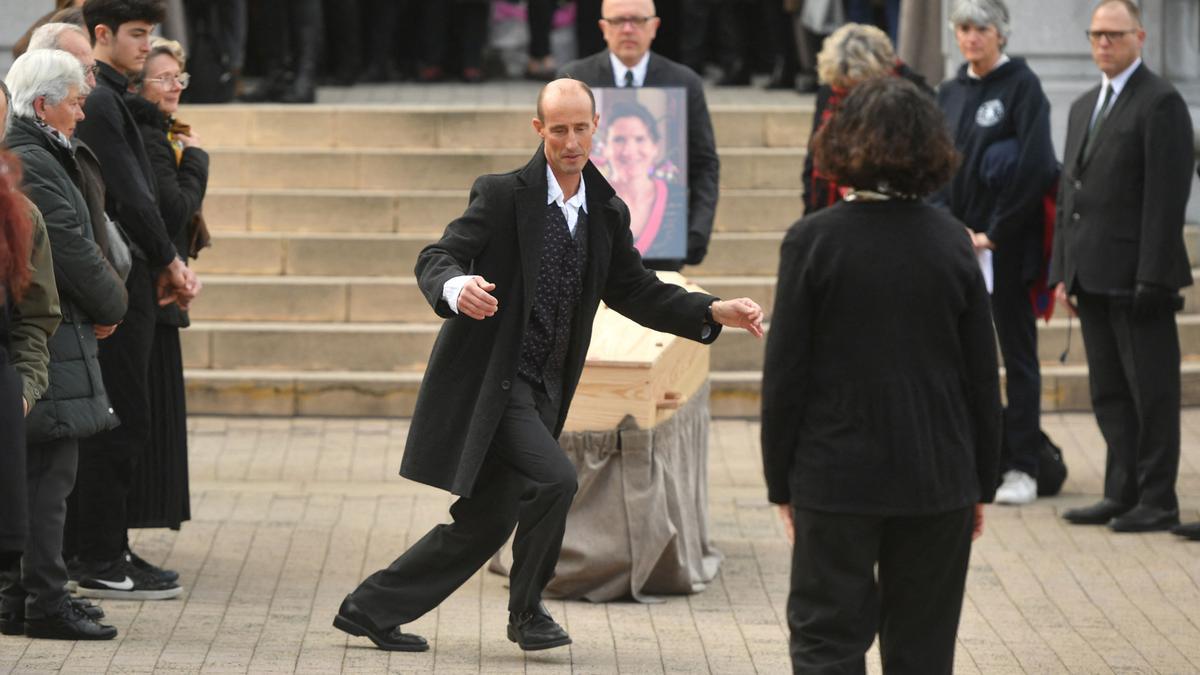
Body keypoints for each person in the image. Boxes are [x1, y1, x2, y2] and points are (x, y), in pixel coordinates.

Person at [333, 78, 764, 653]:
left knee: (487, 522)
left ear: (594, 128)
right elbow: (437, 256)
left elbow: (635, 290)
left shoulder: (606, 210)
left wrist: (712, 310)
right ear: (539, 130)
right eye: (557, 129)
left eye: (580, 128)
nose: (570, 140)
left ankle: (370, 608)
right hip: (496, 382)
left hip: (544, 389)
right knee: (555, 478)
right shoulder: (502, 195)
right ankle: (527, 614)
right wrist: (456, 287)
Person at [761, 76, 1002, 673]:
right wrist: (982, 479)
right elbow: (981, 374)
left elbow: (785, 375)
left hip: (835, 472)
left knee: (826, 641)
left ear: (842, 144)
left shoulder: (812, 242)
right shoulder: (952, 243)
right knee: (923, 650)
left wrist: (779, 481)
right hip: (937, 472)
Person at [1052, 0, 1194, 533]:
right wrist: (1062, 269)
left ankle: (1158, 500)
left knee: (1151, 392)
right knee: (1110, 391)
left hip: (1140, 278)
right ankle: (1122, 491)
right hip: (1091, 274)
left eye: (1114, 34)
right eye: (1095, 35)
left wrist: (1152, 276)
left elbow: (1166, 197)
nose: (1103, 44)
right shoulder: (1084, 104)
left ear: (1141, 36)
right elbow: (1070, 194)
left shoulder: (1161, 103)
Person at [71, 0, 197, 600]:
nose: (148, 45)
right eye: (138, 34)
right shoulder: (99, 101)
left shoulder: (115, 98)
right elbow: (134, 196)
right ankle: (95, 555)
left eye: (151, 34)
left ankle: (110, 546)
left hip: (134, 279)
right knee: (120, 420)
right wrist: (170, 259)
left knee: (130, 418)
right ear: (102, 35)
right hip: (121, 283)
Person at [2, 49, 128, 640]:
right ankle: (44, 602)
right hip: (52, 339)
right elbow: (74, 251)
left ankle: (23, 597)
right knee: (48, 480)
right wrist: (114, 303)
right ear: (44, 103)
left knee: (41, 478)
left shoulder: (41, 152)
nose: (83, 113)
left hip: (55, 337)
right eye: (76, 101)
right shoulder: (32, 157)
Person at [938, 0, 1059, 506]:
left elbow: (1036, 166)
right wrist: (952, 228)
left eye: (980, 28)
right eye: (963, 28)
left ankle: (1024, 466)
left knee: (1018, 357)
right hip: (956, 244)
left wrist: (994, 232)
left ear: (1000, 34)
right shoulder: (948, 92)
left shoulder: (1022, 87)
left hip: (1005, 248)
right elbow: (935, 165)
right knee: (958, 354)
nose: (971, 37)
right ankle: (971, 459)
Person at [559, 0, 720, 271]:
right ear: (603, 27)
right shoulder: (575, 79)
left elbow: (704, 164)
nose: (628, 29)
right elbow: (556, 160)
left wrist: (696, 232)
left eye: (638, 20)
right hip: (587, 251)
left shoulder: (683, 81)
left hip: (662, 248)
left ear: (654, 26)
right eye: (618, 21)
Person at [124, 37, 207, 535]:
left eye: (180, 77)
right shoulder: (151, 136)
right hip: (149, 290)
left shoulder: (163, 132)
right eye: (164, 77)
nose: (175, 86)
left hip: (164, 281)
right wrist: (197, 162)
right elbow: (171, 209)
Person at [803, 23, 930, 215]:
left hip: (891, 211)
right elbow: (814, 156)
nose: (847, 96)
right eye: (841, 88)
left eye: (854, 88)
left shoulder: (912, 95)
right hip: (830, 208)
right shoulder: (829, 91)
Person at [599, 101, 685, 259]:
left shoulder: (680, 199)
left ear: (655, 147)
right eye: (619, 139)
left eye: (640, 139)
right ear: (605, 148)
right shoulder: (589, 199)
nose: (629, 151)